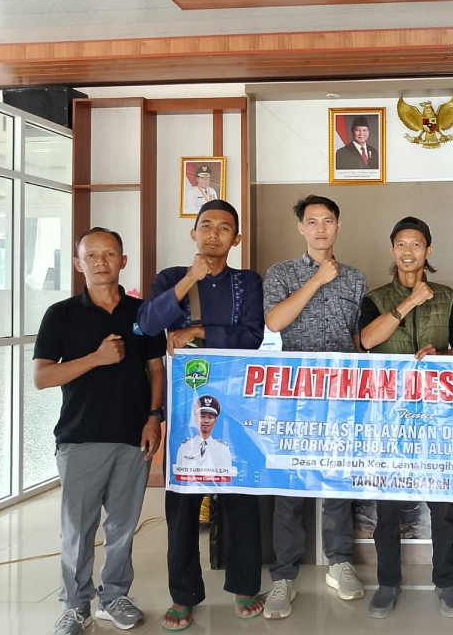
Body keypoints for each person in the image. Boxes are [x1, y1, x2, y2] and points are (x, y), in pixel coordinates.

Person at [137, 199, 265, 632]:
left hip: (236, 404)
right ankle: (183, 595)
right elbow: (148, 324)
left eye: (224, 228)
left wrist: (196, 331)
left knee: (240, 496)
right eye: (206, 225)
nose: (214, 234)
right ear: (193, 233)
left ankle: (244, 587)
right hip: (185, 408)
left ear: (236, 238)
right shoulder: (171, 278)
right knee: (182, 505)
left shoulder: (247, 282)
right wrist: (190, 278)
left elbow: (251, 336)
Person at [34, 227, 166, 635]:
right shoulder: (60, 314)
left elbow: (156, 369)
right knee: (78, 528)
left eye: (109, 254)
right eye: (91, 255)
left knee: (122, 526)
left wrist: (154, 417)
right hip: (80, 436)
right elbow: (42, 377)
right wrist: (96, 357)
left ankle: (114, 597)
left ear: (123, 260)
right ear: (78, 264)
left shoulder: (143, 313)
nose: (100, 262)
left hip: (133, 435)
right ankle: (76, 606)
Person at [359, 215, 453, 619]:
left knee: (442, 508)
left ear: (428, 250)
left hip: (437, 418)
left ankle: (446, 581)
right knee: (387, 509)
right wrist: (410, 300)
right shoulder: (375, 299)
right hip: (389, 419)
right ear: (392, 251)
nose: (408, 251)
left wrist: (440, 357)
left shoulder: (447, 296)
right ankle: (388, 582)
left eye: (416, 244)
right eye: (401, 245)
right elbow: (367, 341)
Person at [261, 194, 368, 618]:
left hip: (341, 394)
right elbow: (274, 322)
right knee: (290, 486)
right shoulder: (281, 273)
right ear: (301, 228)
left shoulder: (356, 279)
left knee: (337, 481)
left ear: (339, 226)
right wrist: (318, 279)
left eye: (328, 220)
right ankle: (283, 577)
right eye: (312, 221)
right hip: (294, 396)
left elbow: (357, 340)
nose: (321, 228)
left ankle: (339, 563)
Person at [173, 396, 233, 474]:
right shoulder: (185, 447)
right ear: (196, 420)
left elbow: (226, 476)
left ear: (215, 421)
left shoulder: (223, 449)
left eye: (210, 417)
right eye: (202, 417)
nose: (206, 421)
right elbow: (179, 474)